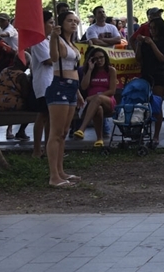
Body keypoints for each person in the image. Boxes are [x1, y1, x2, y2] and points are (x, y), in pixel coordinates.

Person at [46, 10, 83, 187]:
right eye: (69, 21)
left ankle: (60, 171)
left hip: (72, 87)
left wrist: (78, 93)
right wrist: (53, 37)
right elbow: (54, 58)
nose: (73, 23)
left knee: (63, 132)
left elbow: (74, 68)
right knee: (56, 132)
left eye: (75, 21)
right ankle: (53, 176)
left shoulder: (71, 43)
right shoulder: (58, 40)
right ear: (62, 23)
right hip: (60, 85)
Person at [137, 16, 164, 147]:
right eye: (150, 29)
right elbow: (138, 58)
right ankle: (141, 131)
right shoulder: (146, 42)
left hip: (158, 75)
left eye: (154, 29)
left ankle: (156, 135)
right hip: (146, 74)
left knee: (156, 105)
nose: (152, 31)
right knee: (142, 104)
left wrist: (152, 43)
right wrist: (140, 44)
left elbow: (162, 58)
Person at [73, 46, 117, 146]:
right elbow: (83, 87)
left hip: (108, 101)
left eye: (101, 57)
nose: (99, 60)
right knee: (98, 110)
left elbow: (112, 91)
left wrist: (95, 97)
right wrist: (89, 70)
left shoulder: (111, 70)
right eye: (96, 59)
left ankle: (82, 129)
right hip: (93, 104)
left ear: (105, 57)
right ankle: (99, 139)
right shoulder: (89, 71)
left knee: (97, 98)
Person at [27, 10, 54, 158]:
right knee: (43, 115)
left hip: (51, 81)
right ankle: (36, 149)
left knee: (50, 116)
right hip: (43, 83)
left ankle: (48, 147)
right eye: (50, 22)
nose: (53, 25)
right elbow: (48, 60)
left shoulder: (48, 41)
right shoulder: (38, 41)